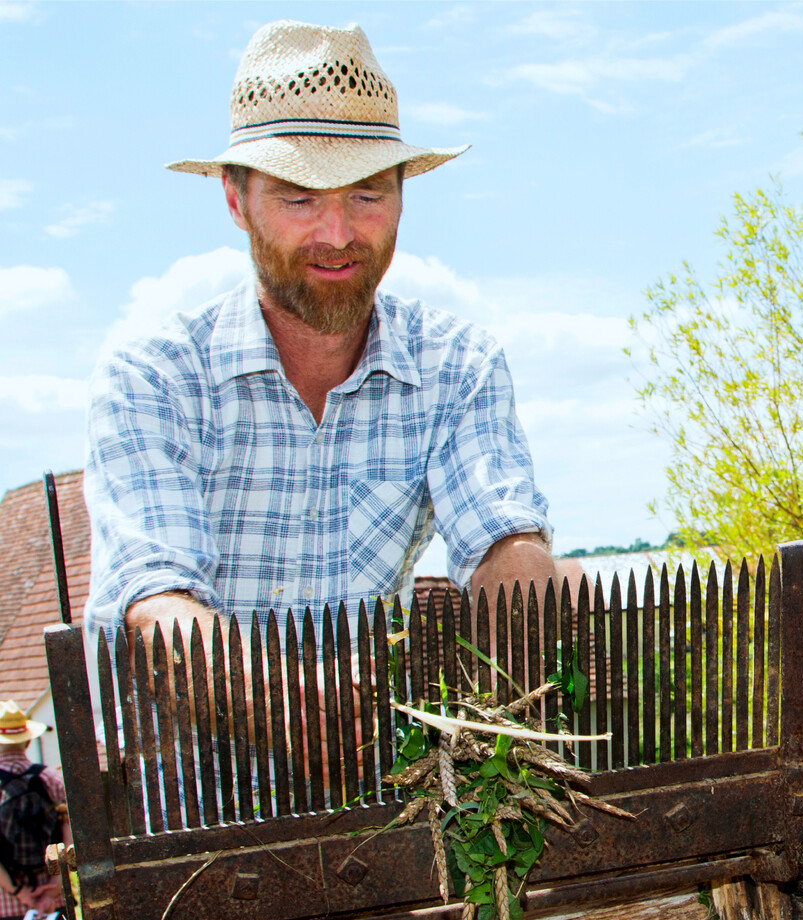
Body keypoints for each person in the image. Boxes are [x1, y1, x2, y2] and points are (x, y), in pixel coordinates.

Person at [84, 20, 579, 653]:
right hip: (191, 750)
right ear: (236, 201)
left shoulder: (458, 365)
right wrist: (284, 699)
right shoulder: (152, 377)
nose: (338, 233)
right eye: (298, 200)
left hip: (370, 744)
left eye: (367, 194)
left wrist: (520, 610)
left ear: (403, 196)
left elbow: (501, 536)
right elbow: (156, 599)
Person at [0, 703, 70, 920]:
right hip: (53, 902)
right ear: (28, 740)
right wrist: (55, 887)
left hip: (5, 906)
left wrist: (20, 892)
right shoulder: (50, 778)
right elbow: (68, 841)